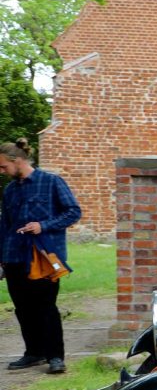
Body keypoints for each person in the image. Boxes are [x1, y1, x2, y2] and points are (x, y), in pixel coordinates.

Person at [0, 138, 82, 374]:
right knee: (23, 308)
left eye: (4, 166)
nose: (2, 171)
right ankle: (34, 353)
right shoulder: (10, 190)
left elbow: (73, 211)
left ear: (18, 161)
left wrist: (43, 225)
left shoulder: (51, 181)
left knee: (46, 307)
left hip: (44, 256)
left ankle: (55, 356)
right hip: (14, 256)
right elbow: (5, 225)